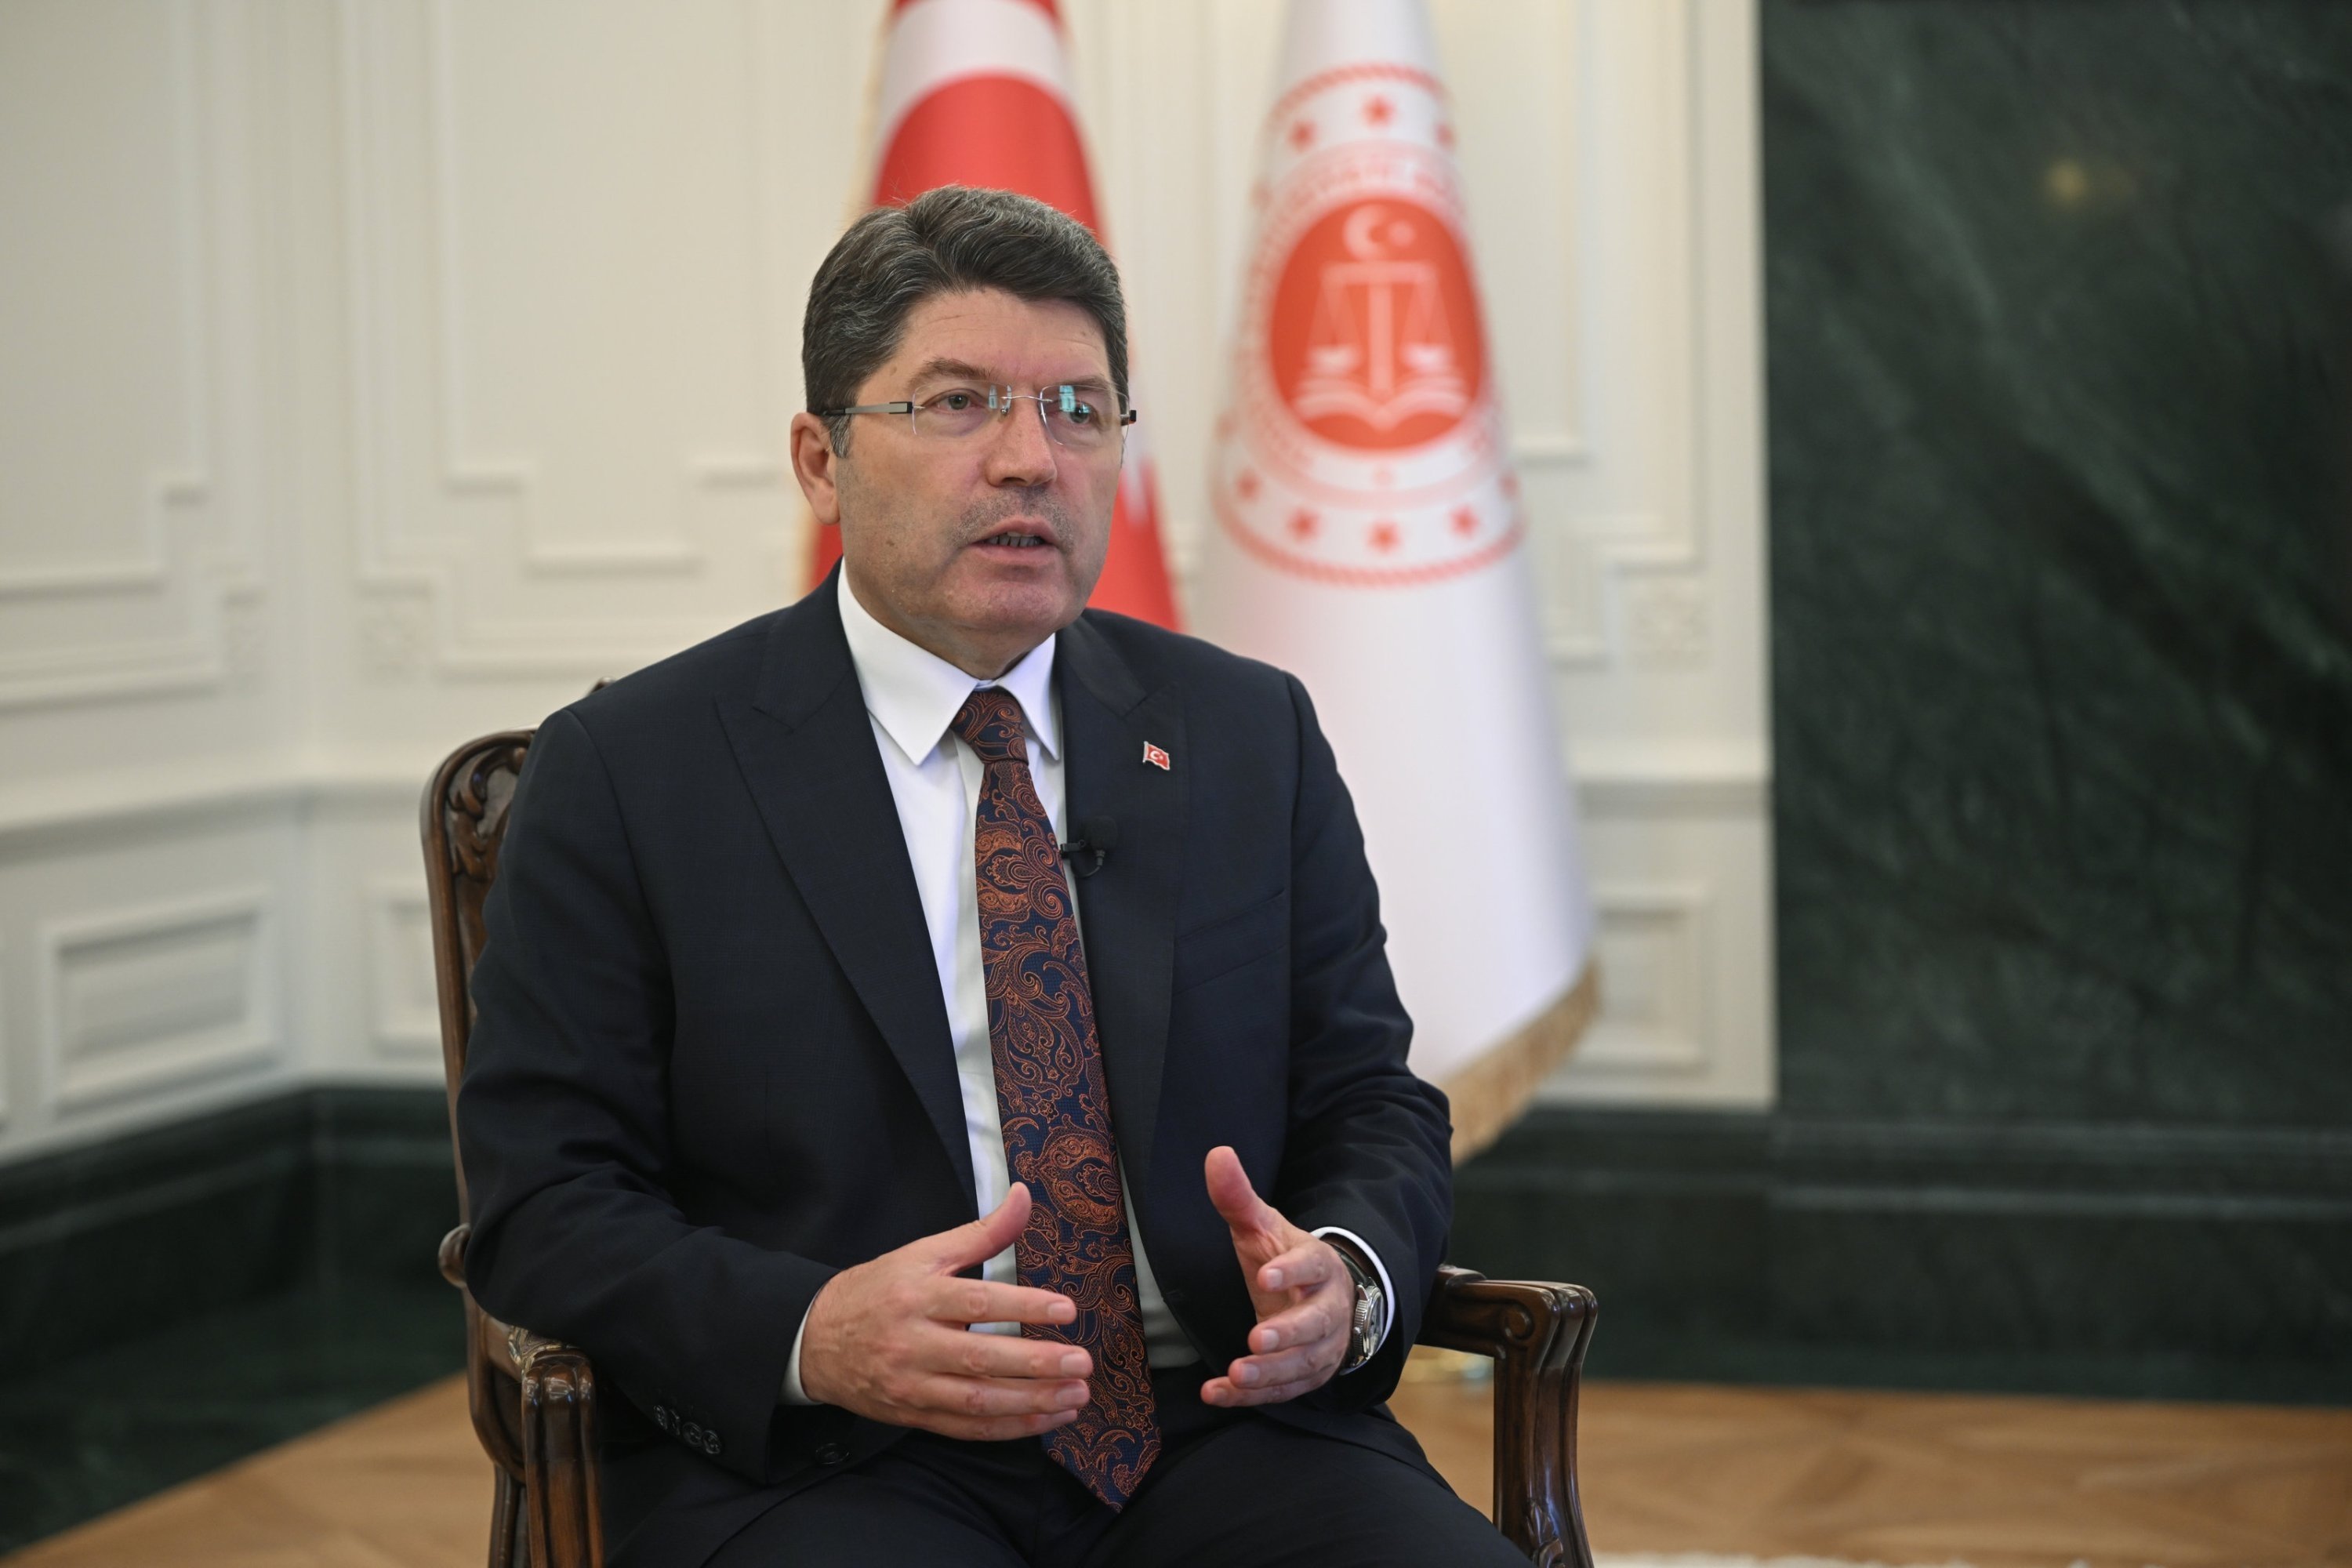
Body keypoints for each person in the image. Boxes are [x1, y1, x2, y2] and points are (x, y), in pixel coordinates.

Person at [456, 184, 1526, 1567]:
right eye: (960, 404)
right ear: (822, 461)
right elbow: (544, 1202)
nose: (1032, 460)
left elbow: (1370, 1098)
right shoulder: (634, 769)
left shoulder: (1243, 730)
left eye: (1080, 410)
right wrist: (812, 1334)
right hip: (832, 1453)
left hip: (1220, 1424)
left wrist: (1350, 1280)